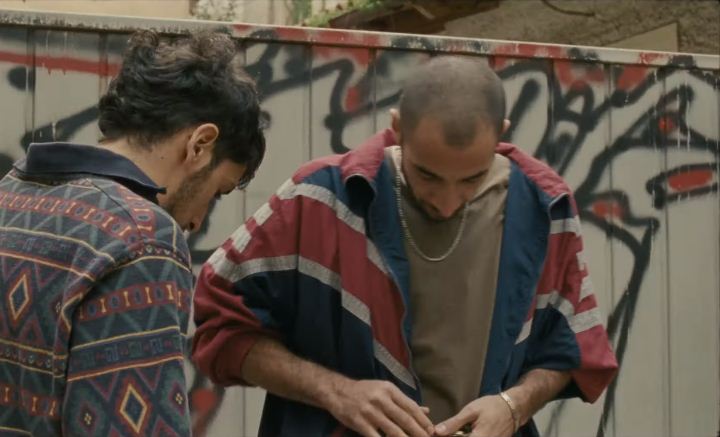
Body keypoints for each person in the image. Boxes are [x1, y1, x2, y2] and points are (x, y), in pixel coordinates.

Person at [192, 56, 617, 437]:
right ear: (396, 128)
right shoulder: (317, 199)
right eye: (427, 175)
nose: (447, 201)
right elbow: (219, 326)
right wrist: (336, 391)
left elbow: (574, 349)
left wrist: (514, 405)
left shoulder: (546, 208)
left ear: (501, 134)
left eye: (471, 179)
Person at [0, 29, 265, 436]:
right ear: (200, 144)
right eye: (217, 192)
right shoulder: (143, 240)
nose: (197, 221)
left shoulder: (8, 196)